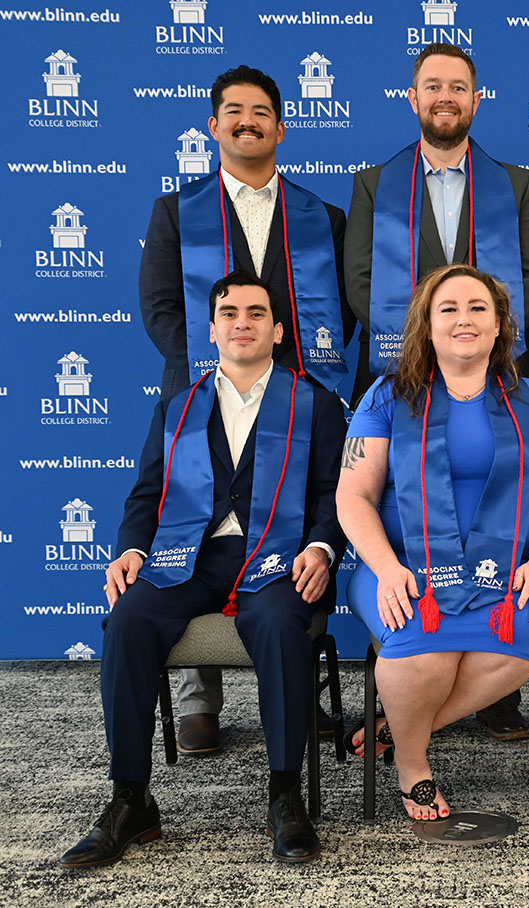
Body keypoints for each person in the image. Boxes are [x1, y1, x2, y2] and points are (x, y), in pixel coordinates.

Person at [60, 272, 347, 867]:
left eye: (256, 312)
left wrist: (321, 550)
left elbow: (334, 494)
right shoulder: (177, 406)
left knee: (278, 622)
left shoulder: (312, 402)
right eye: (229, 312)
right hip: (188, 556)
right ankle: (130, 799)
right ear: (211, 329)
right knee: (129, 619)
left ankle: (285, 794)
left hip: (279, 553)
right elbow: (146, 494)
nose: (242, 321)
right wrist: (132, 549)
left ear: (277, 329)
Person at [139, 65, 353, 754]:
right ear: (214, 125)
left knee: (287, 542)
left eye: (260, 112)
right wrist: (224, 370)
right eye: (233, 112)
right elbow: (163, 308)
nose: (247, 122)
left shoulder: (324, 216)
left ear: (280, 128)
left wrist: (284, 385)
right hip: (209, 399)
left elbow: (340, 312)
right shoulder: (177, 210)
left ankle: (297, 691)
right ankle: (201, 695)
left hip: (295, 405)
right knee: (194, 531)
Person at [344, 42, 529, 738]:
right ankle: (419, 684)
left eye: (458, 88)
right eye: (432, 86)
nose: (445, 98)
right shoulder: (376, 182)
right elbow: (361, 282)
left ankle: (486, 698)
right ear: (413, 98)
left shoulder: (516, 183)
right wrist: (426, 343)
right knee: (415, 505)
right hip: (406, 370)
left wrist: (473, 336)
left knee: (500, 493)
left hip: (496, 372)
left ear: (476, 99)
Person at [336, 264, 529, 820]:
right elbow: (353, 496)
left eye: (478, 308)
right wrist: (387, 567)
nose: (463, 319)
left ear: (500, 327)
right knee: (424, 651)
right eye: (448, 308)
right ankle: (413, 765)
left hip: (513, 569)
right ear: (427, 324)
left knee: (512, 648)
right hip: (401, 566)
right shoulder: (387, 395)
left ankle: (394, 732)